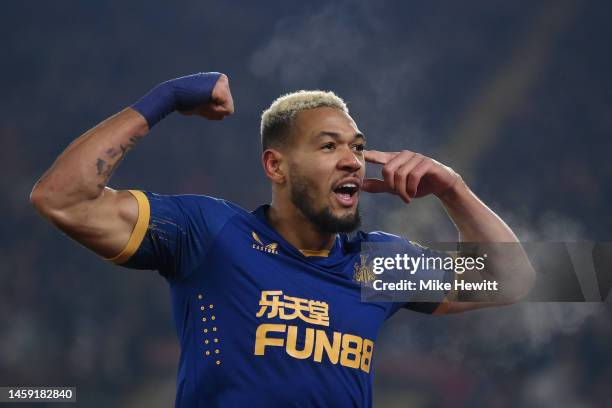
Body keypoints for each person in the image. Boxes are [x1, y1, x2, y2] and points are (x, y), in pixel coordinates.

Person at [30, 72, 534, 407]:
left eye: (358, 148)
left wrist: (453, 188)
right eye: (329, 145)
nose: (353, 160)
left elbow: (514, 281)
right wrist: (165, 99)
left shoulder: (374, 264)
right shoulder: (212, 234)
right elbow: (62, 198)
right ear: (276, 165)